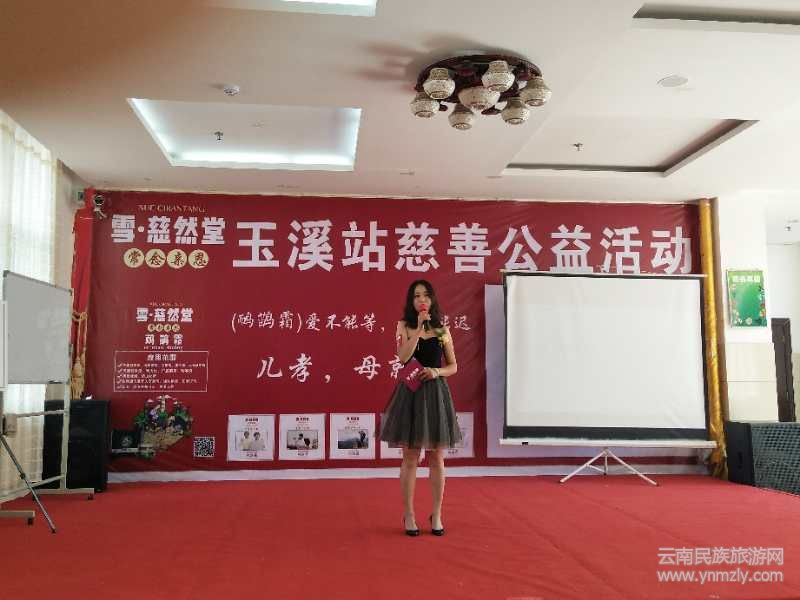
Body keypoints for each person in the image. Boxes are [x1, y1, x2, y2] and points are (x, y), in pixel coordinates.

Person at [380, 280, 461, 537]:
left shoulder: (442, 330)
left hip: (436, 394)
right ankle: (409, 514)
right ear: (411, 301)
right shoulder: (403, 326)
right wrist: (418, 328)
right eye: (416, 296)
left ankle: (436, 514)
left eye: (426, 295)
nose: (422, 299)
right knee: (410, 456)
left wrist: (436, 371)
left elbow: (453, 366)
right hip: (410, 394)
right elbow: (403, 357)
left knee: (436, 457)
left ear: (432, 299)